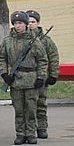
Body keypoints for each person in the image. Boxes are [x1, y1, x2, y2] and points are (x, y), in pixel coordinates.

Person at [0, 11, 48, 145]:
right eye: (15, 23)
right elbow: (1, 58)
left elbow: (43, 60)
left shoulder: (34, 41)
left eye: (20, 23)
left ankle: (31, 133)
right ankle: (20, 133)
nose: (17, 26)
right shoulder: (7, 41)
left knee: (31, 108)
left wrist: (41, 77)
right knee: (19, 109)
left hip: (31, 79)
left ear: (26, 24)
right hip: (16, 80)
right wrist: (4, 74)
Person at [26, 10, 60, 139]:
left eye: (33, 22)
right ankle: (29, 128)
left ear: (38, 23)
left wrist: (53, 75)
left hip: (42, 76)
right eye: (28, 22)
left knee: (40, 103)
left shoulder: (45, 40)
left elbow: (53, 58)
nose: (30, 25)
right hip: (26, 77)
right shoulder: (22, 39)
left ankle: (42, 127)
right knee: (29, 105)